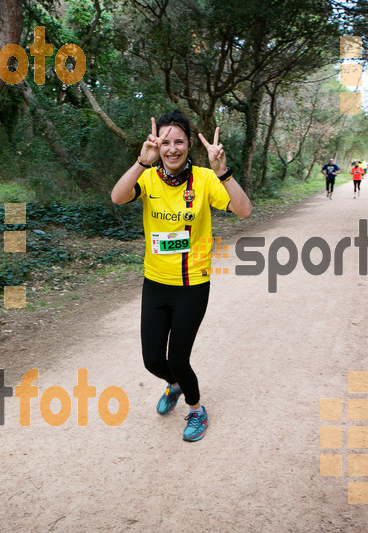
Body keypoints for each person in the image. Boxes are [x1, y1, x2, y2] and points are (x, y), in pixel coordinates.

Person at [111, 110, 252, 442]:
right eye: (164, 142)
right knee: (151, 360)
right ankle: (174, 385)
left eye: (179, 141)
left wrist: (224, 173)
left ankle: (196, 409)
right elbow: (117, 197)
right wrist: (141, 162)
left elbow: (244, 210)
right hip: (155, 283)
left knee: (177, 357)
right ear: (156, 145)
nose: (171, 149)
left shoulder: (204, 179)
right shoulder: (148, 177)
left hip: (192, 286)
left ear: (190, 144)